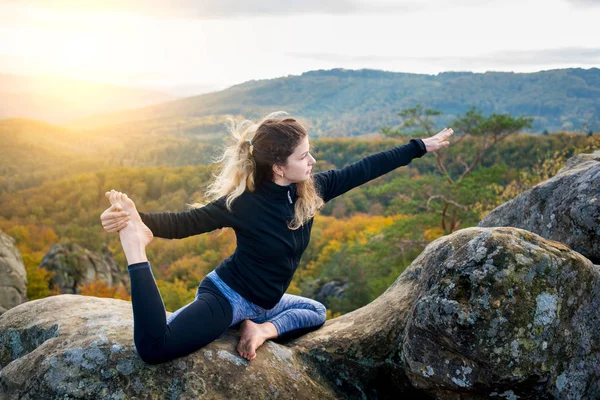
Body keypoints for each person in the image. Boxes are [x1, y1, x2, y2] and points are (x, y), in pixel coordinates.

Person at [100, 112, 453, 365]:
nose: (312, 160)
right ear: (279, 167)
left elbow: (365, 168)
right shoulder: (244, 204)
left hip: (266, 305)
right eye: (304, 156)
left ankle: (259, 331)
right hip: (228, 297)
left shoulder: (312, 191)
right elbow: (185, 222)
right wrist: (135, 219)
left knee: (315, 310)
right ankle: (136, 252)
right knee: (155, 349)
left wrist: (419, 146)